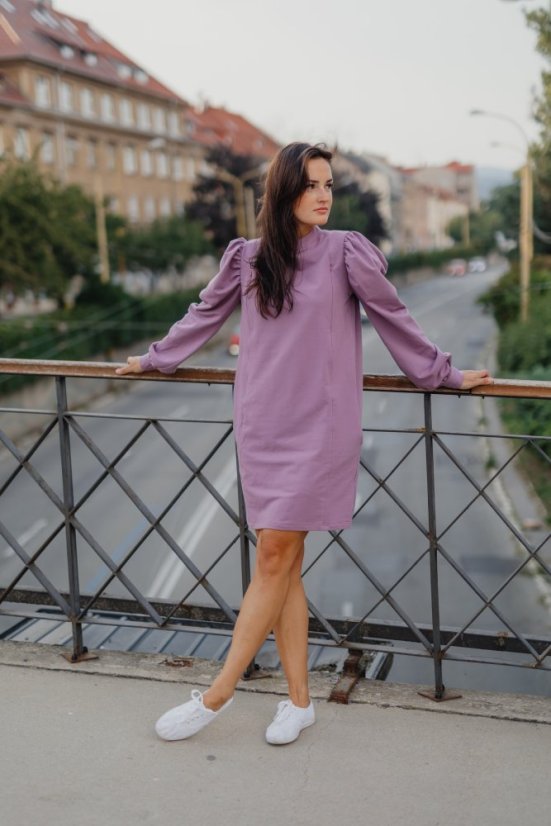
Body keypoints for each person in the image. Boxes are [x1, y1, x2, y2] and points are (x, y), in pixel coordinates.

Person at [116, 142, 492, 746]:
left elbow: (395, 317)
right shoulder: (248, 257)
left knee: (272, 558)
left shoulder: (347, 252)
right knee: (283, 564)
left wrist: (442, 373)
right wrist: (152, 358)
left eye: (329, 185)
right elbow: (203, 315)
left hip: (320, 426)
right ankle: (298, 702)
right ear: (283, 192)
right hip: (263, 425)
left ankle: (216, 695)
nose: (323, 195)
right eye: (311, 185)